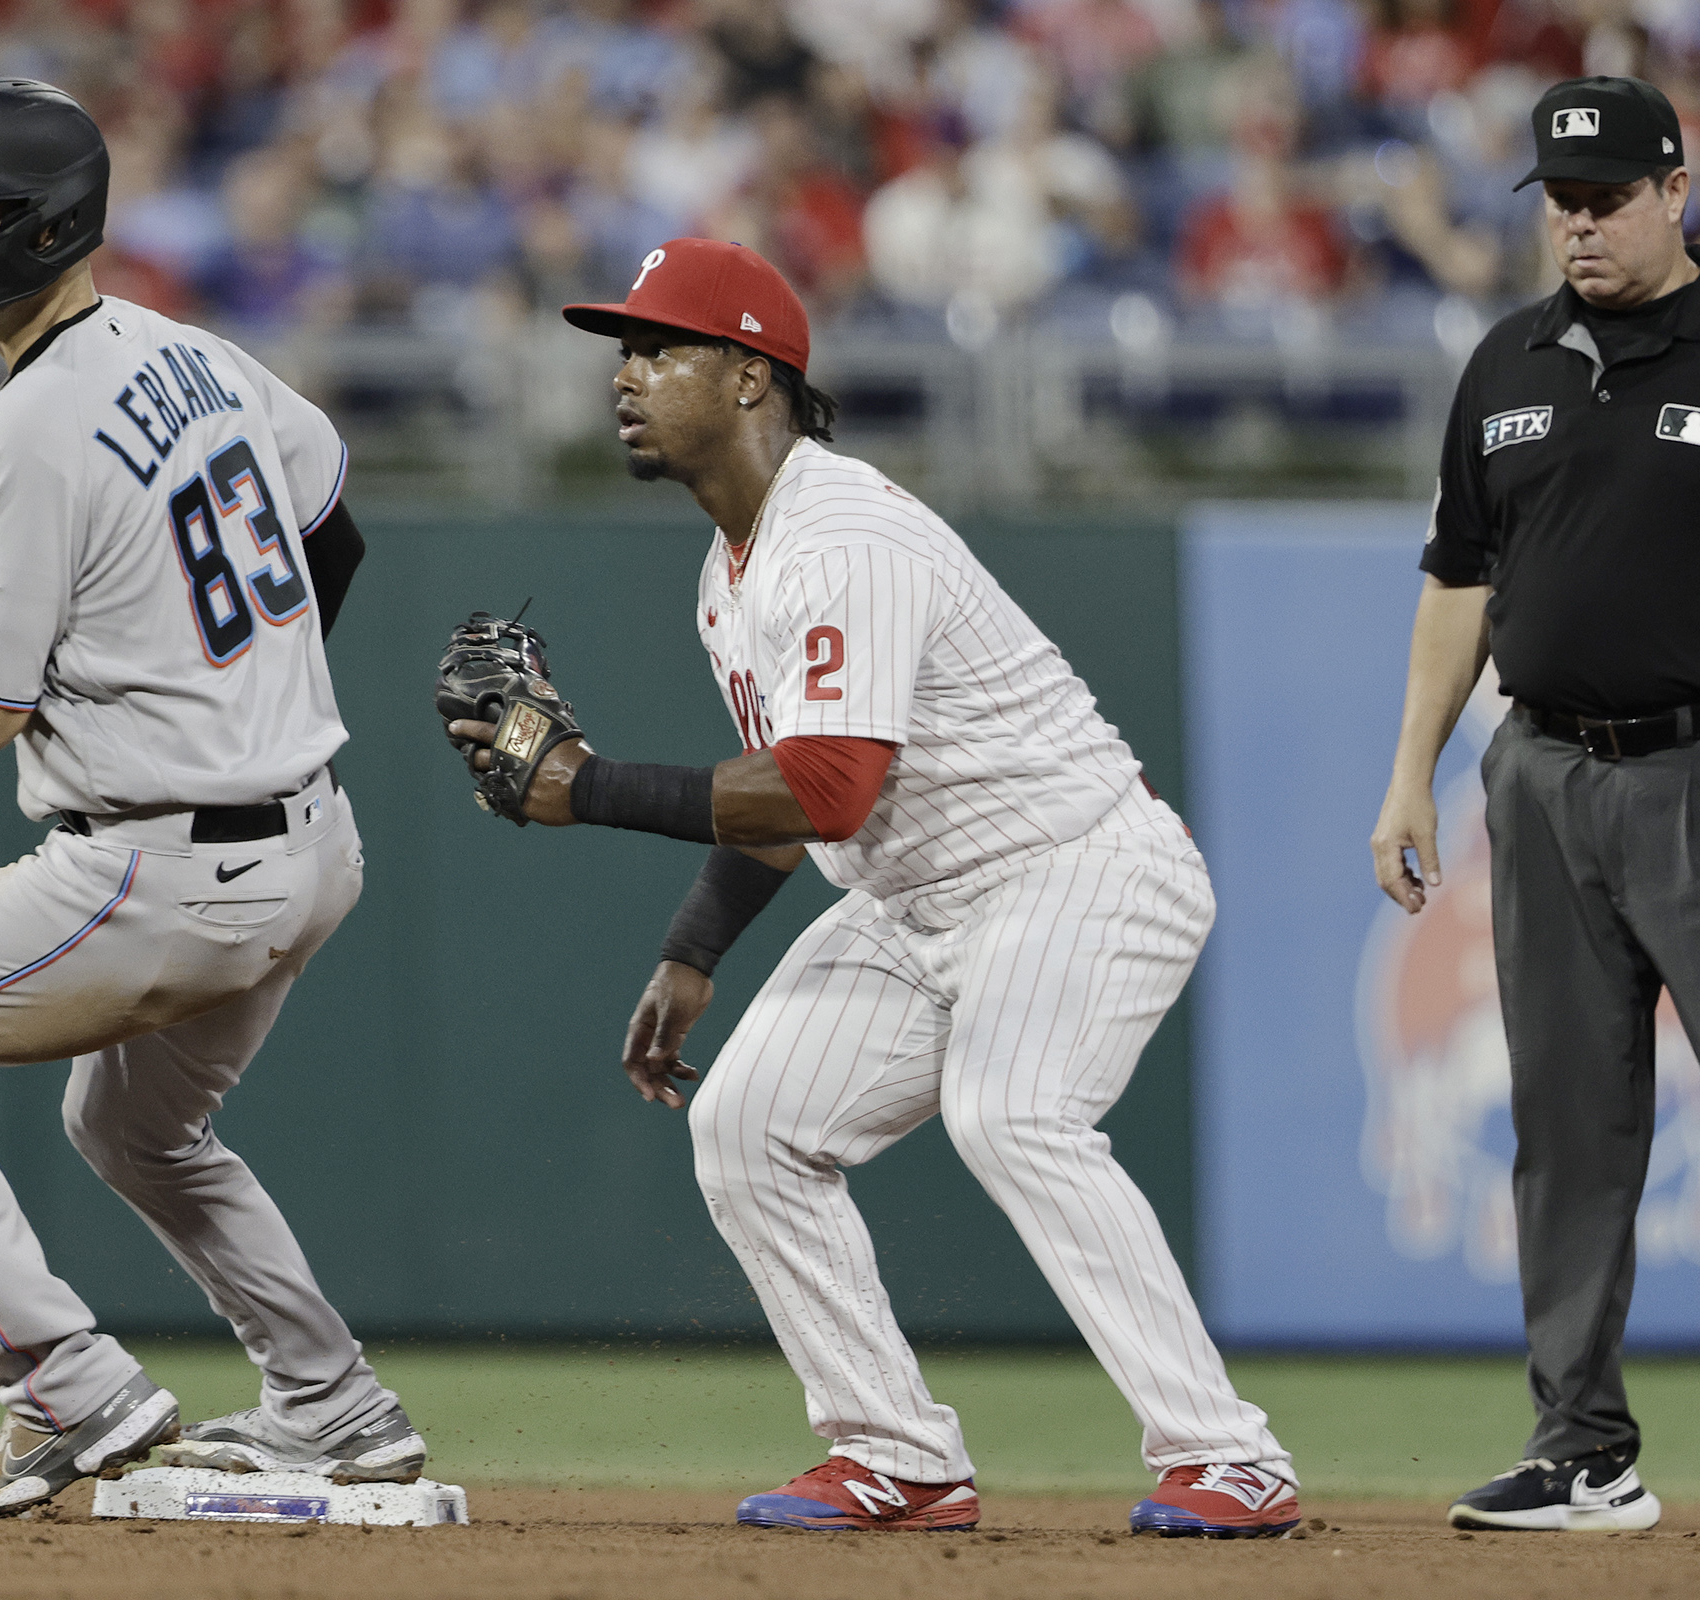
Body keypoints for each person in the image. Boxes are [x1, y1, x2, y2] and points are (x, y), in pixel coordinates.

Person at [446, 237, 1299, 1537]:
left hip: (1073, 866)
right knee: (746, 1125)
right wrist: (695, 949)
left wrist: (588, 783)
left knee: (1014, 1113)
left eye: (660, 348)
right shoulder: (728, 571)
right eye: (624, 351)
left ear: (747, 375)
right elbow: (787, 800)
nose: (628, 376)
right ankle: (895, 1451)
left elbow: (828, 788)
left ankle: (1229, 1453)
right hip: (920, 901)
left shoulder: (839, 533)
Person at [0, 78, 412, 1518]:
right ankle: (334, 1404)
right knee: (130, 1130)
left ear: (43, 224)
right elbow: (336, 534)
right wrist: (220, 686)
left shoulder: (26, 423)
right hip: (314, 840)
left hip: (157, 874)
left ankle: (64, 1388)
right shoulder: (205, 356)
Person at [1370, 74, 1694, 1535]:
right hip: (1543, 773)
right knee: (1567, 1121)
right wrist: (1413, 775)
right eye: (1561, 201)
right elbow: (1458, 578)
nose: (1579, 224)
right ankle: (1583, 1451)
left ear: (1675, 190)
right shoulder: (1506, 362)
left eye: (1607, 197)